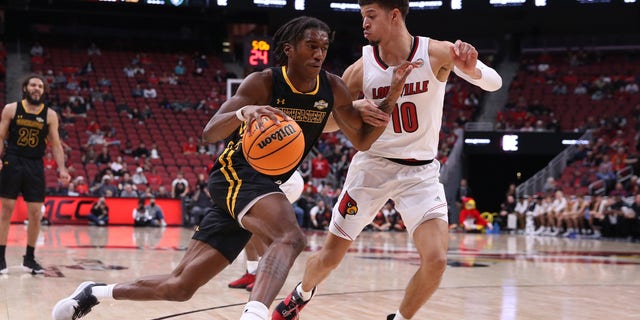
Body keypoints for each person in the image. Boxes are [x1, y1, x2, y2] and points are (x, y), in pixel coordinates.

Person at [52, 16, 415, 320]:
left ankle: (93, 293)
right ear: (288, 48)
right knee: (291, 237)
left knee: (180, 287)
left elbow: (364, 139)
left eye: (323, 47)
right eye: (311, 46)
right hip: (236, 174)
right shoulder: (264, 82)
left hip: (266, 184)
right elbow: (210, 130)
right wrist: (245, 112)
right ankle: (255, 314)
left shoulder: (332, 88)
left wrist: (394, 91)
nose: (319, 54)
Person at [273, 2, 502, 319]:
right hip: (372, 168)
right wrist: (353, 110)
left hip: (420, 173)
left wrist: (473, 67)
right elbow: (325, 122)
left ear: (394, 15)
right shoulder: (359, 70)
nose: (364, 24)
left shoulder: (435, 52)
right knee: (329, 258)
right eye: (362, 17)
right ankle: (301, 294)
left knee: (436, 260)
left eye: (370, 16)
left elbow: (494, 83)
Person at [0, 74, 71, 274]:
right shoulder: (11, 109)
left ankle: (29, 259)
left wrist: (62, 168)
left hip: (34, 165)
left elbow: (56, 145)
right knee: (6, 212)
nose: (36, 88)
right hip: (12, 161)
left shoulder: (50, 115)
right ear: (25, 88)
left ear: (43, 90)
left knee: (35, 214)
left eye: (40, 86)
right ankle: (0, 258)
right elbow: (0, 136)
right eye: (33, 85)